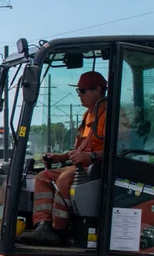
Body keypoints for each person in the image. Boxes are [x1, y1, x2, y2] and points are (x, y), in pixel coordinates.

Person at [19, 70, 108, 246]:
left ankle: (60, 230)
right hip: (82, 165)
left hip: (99, 168)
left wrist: (90, 156)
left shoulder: (110, 114)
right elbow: (80, 148)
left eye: (82, 91)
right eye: (78, 91)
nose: (79, 95)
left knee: (64, 178)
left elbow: (117, 150)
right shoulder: (88, 114)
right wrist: (61, 157)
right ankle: (43, 226)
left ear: (97, 90)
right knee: (43, 177)